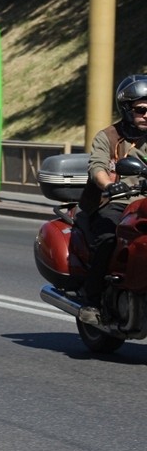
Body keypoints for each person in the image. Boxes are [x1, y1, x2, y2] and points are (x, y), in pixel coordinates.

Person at [78, 74, 147, 322]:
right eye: (141, 110)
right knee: (108, 238)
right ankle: (92, 301)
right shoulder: (109, 136)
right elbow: (97, 167)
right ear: (127, 109)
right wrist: (109, 185)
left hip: (145, 203)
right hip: (118, 202)